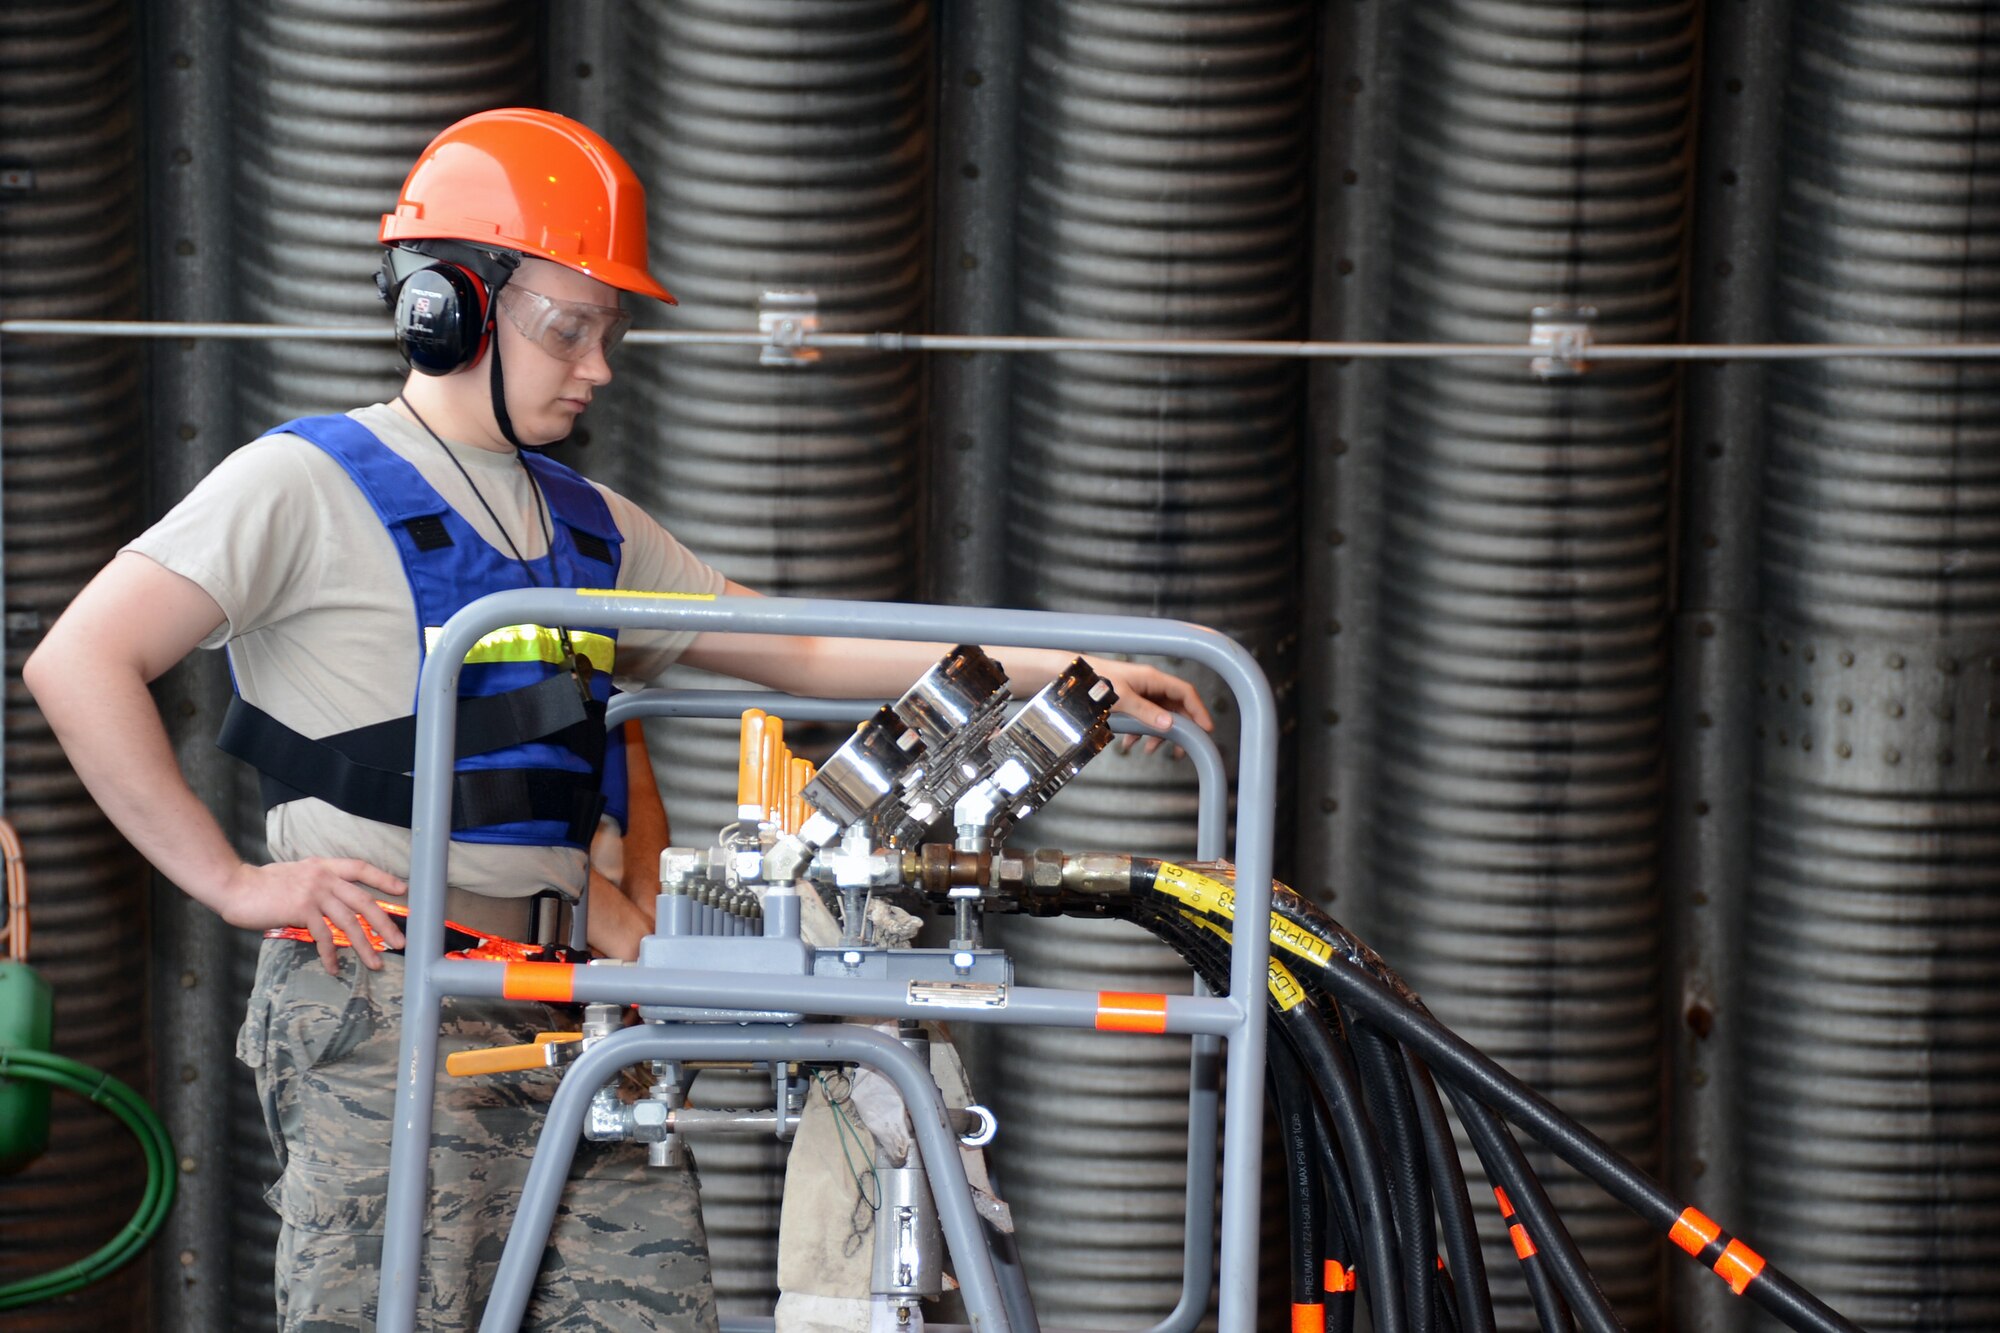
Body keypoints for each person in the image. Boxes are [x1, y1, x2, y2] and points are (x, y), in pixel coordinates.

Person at [22, 108, 1212, 1331]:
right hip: (385, 999)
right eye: (569, 326)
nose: (597, 364)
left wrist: (1060, 670)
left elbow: (798, 643)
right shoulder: (302, 482)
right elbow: (82, 659)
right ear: (449, 307)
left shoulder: (591, 526)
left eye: (610, 331)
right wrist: (227, 880)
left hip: (576, 1004)